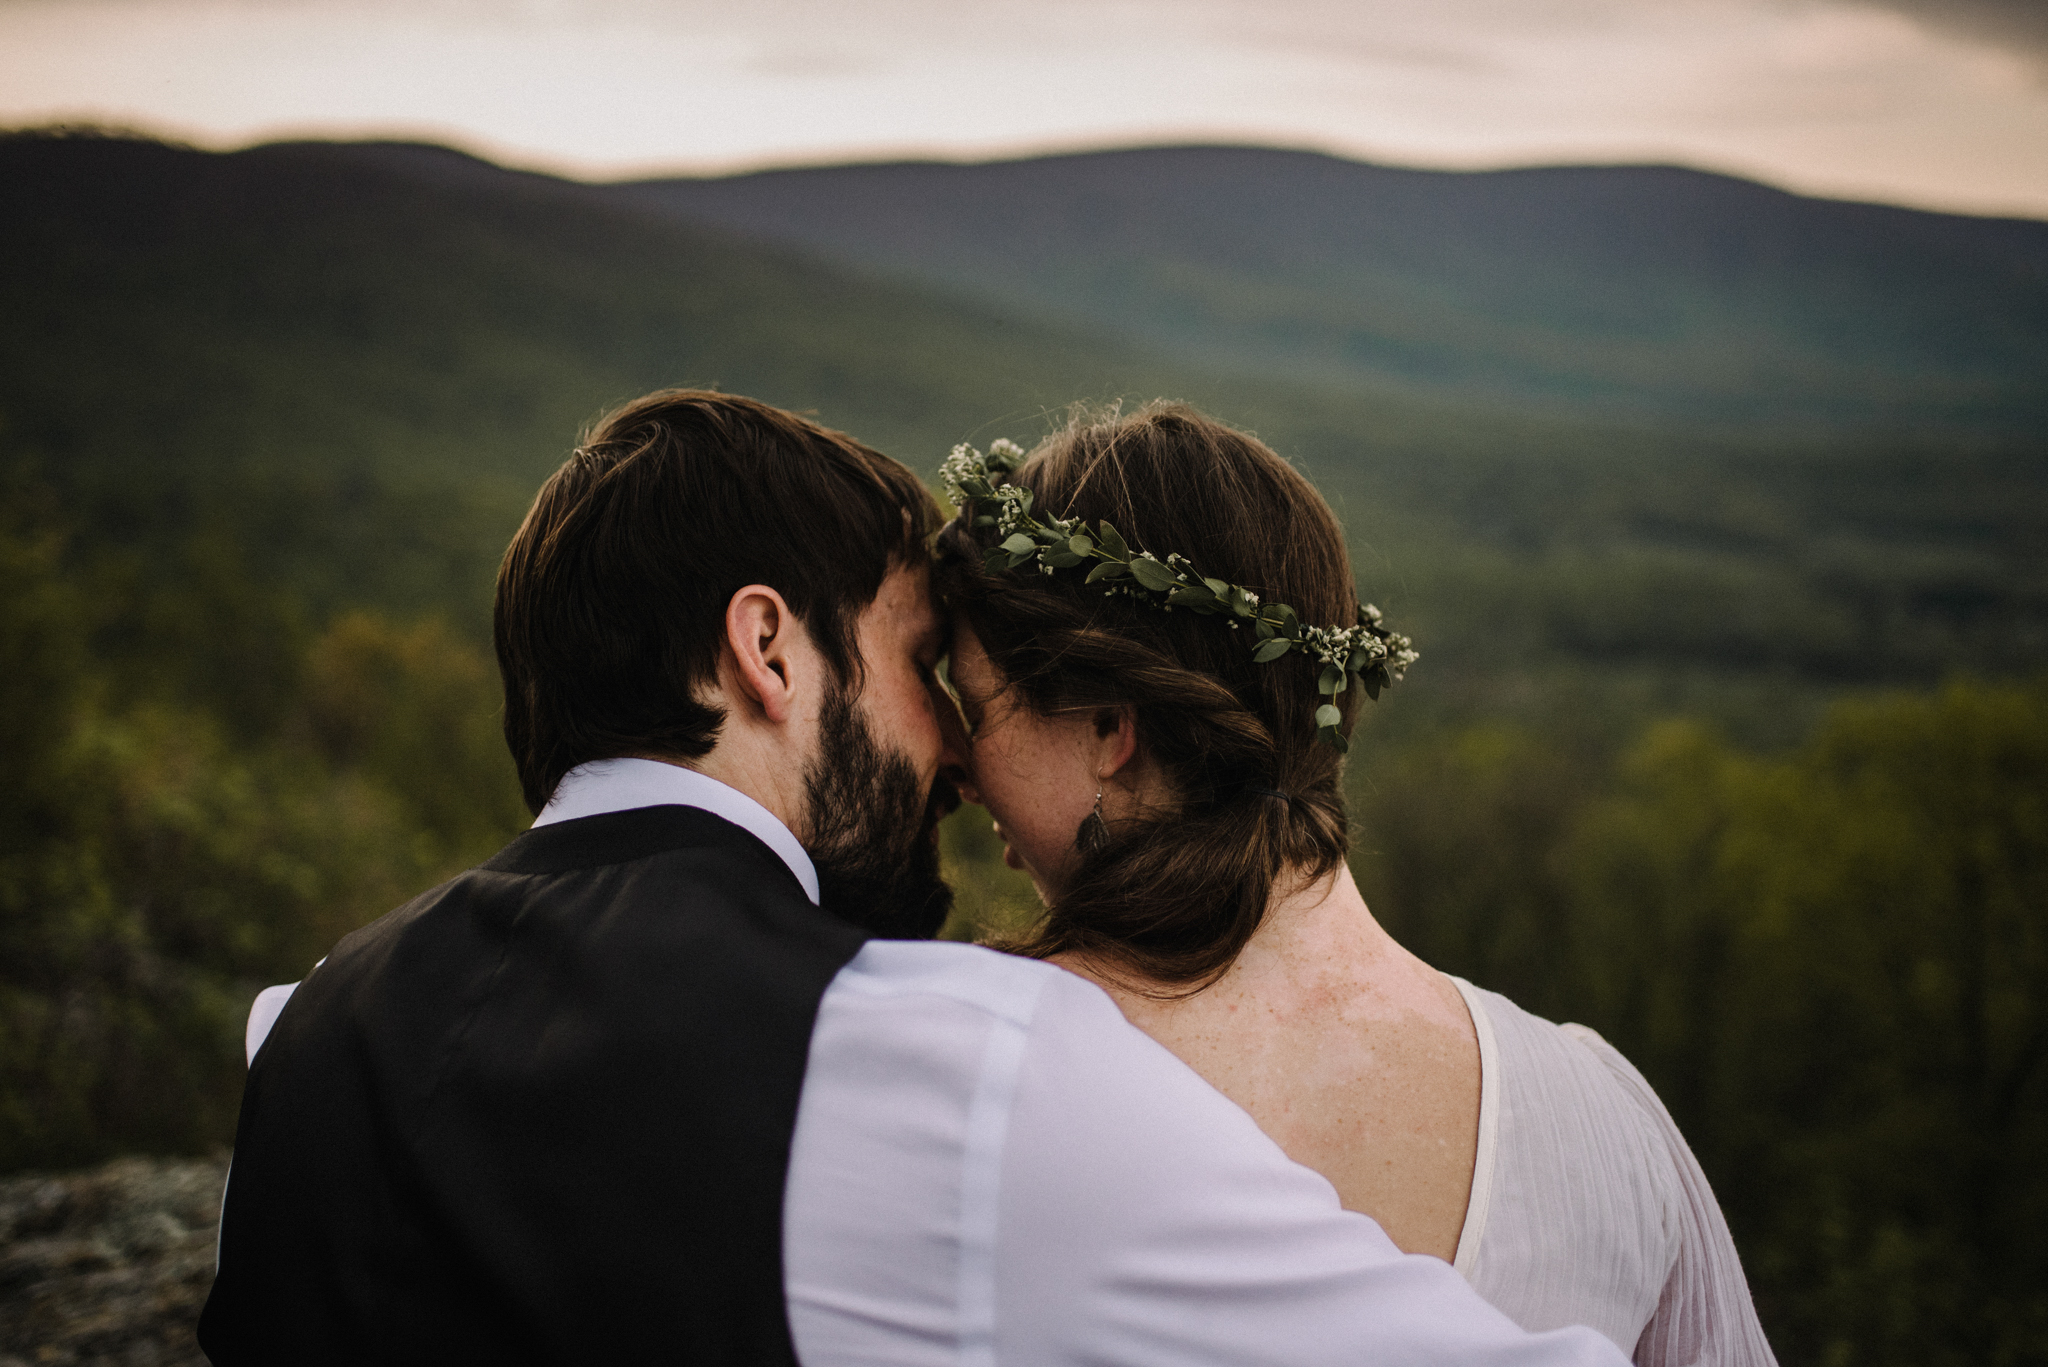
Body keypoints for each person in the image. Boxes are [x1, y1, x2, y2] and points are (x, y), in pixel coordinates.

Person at [198, 389, 1629, 1366]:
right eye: (910, 658)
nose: (948, 745)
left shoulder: (302, 1031)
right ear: (770, 649)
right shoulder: (948, 1058)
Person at [932, 402, 1779, 1366]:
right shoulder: (1604, 1120)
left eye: (977, 704)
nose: (960, 764)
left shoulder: (972, 1074)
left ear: (1107, 726)